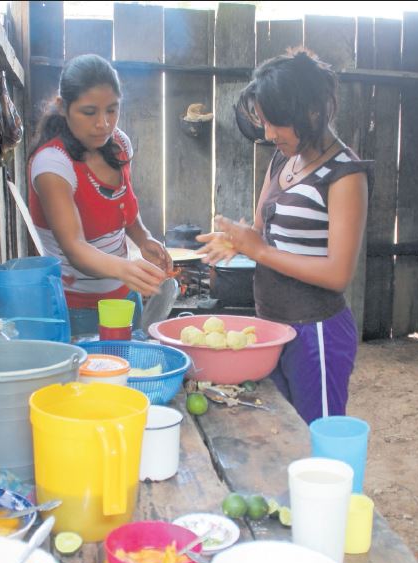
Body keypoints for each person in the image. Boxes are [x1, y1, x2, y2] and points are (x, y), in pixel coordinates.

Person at [197, 49, 372, 425]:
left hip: (317, 332)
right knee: (281, 432)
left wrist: (258, 250)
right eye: (264, 122)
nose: (268, 133)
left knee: (316, 435)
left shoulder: (345, 175)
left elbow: (338, 274)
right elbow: (261, 232)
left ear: (311, 111)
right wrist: (237, 240)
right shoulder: (282, 160)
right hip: (272, 325)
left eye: (277, 122)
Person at [28, 54, 174, 337]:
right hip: (76, 310)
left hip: (125, 300)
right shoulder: (52, 165)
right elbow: (75, 248)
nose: (103, 124)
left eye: (112, 110)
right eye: (89, 112)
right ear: (63, 107)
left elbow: (123, 208)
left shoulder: (119, 144)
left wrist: (144, 239)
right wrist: (125, 268)